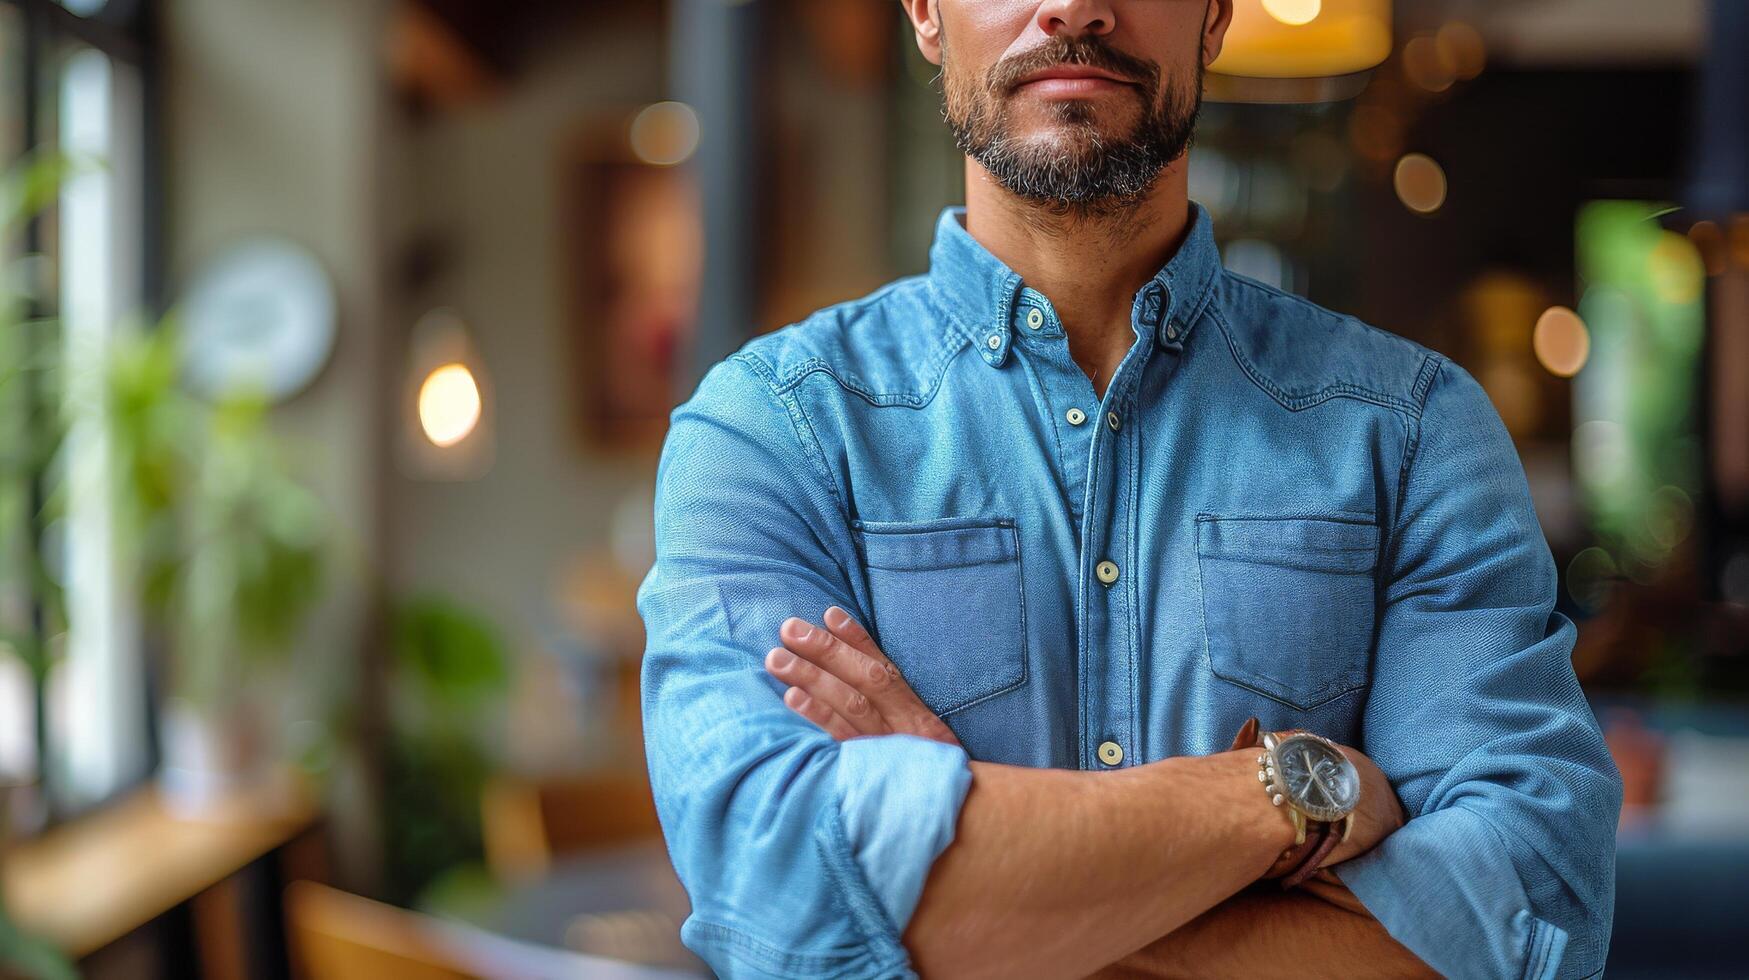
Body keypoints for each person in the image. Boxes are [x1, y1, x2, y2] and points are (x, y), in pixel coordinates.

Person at [636, 1, 1623, 976]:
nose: (1074, 6)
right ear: (927, 14)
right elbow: (774, 897)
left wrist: (965, 863)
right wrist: (1286, 796)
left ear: (1215, 15)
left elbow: (1530, 909)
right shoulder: (772, 427)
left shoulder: (1413, 429)